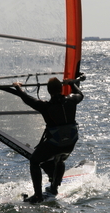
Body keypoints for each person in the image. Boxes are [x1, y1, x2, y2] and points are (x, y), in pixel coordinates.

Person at [12, 76, 84, 204]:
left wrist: (17, 87)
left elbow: (27, 99)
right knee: (59, 159)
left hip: (55, 143)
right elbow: (80, 94)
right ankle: (54, 188)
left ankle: (38, 196)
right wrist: (72, 84)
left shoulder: (45, 106)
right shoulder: (72, 100)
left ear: (49, 91)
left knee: (35, 161)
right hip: (70, 142)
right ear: (62, 88)